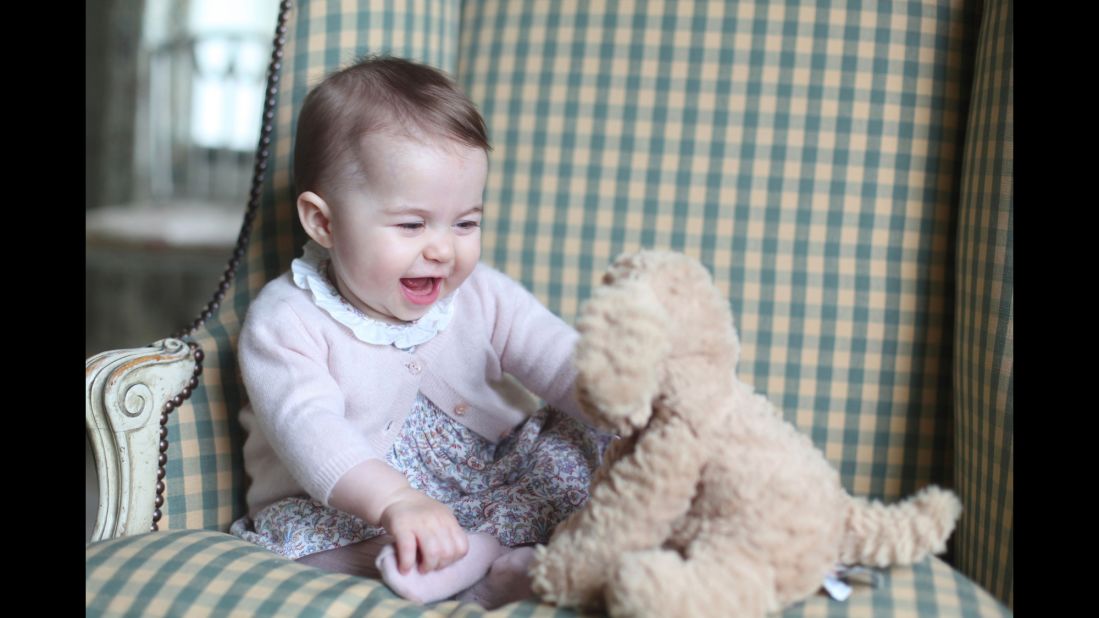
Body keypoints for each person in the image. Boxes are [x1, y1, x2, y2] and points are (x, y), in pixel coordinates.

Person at [229, 55, 609, 609]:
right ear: (324, 222)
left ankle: (512, 552)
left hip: (490, 469)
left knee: (583, 449)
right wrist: (397, 502)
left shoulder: (481, 295)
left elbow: (557, 357)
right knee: (311, 545)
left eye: (466, 223)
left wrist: (623, 403)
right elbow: (310, 430)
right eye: (411, 224)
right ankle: (472, 570)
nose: (442, 248)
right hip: (355, 500)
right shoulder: (285, 321)